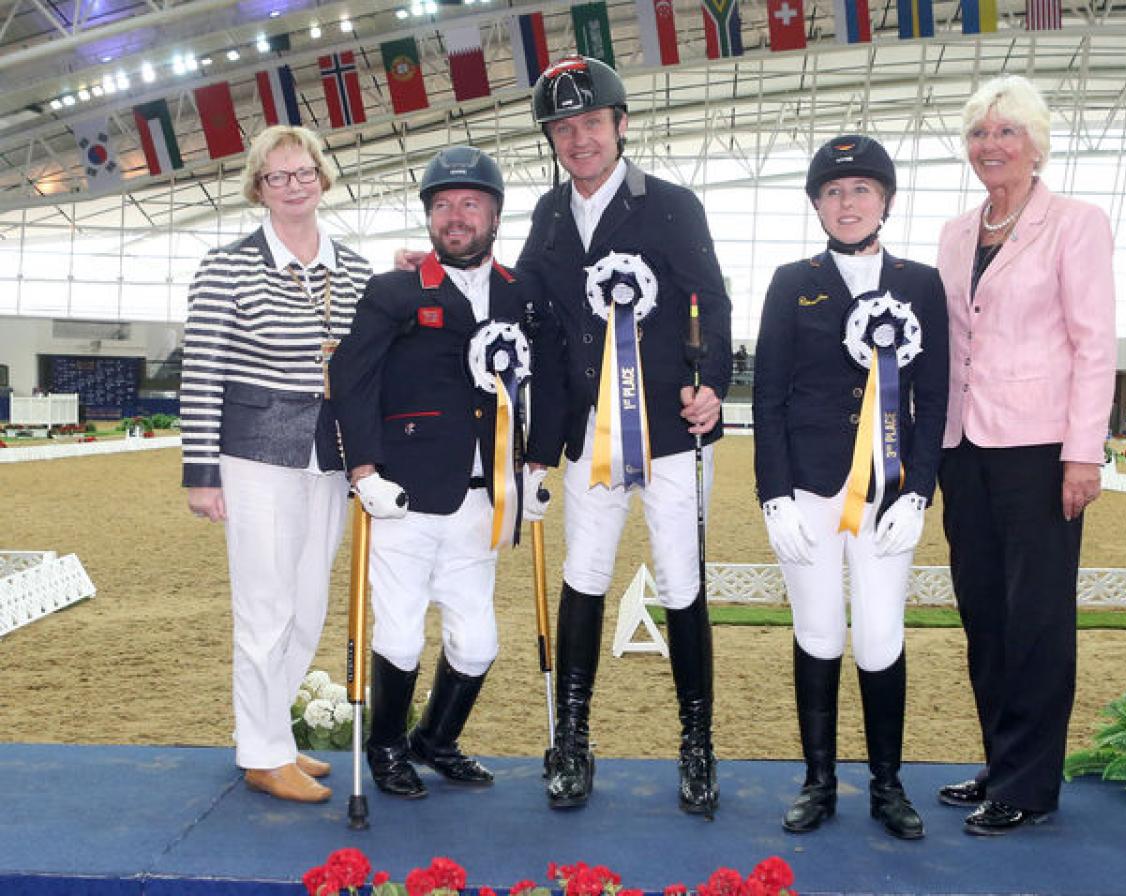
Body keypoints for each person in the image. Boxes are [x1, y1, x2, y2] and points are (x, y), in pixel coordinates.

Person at [520, 55, 733, 815]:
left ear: (621, 125)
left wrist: (713, 384)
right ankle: (573, 739)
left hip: (671, 431)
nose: (578, 140)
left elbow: (712, 298)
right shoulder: (547, 215)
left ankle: (697, 744)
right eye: (563, 127)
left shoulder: (671, 205)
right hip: (589, 435)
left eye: (590, 124)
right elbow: (526, 313)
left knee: (681, 583)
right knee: (585, 575)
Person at [330, 146, 552, 800]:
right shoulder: (395, 290)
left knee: (477, 643)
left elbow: (553, 378)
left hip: (486, 503)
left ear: (493, 215)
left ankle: (436, 739)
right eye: (443, 206)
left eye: (470, 205)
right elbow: (351, 377)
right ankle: (387, 746)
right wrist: (363, 467)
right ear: (429, 217)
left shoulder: (522, 294)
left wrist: (539, 461)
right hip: (403, 497)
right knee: (398, 634)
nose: (456, 217)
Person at [935, 74, 1116, 835]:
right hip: (962, 447)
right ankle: (1000, 762)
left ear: (1036, 144)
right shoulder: (953, 231)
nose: (991, 146)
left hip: (1041, 449)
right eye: (979, 133)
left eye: (1007, 132)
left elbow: (1094, 342)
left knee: (1036, 615)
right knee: (984, 613)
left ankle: (1031, 786)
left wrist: (1084, 454)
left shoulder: (1076, 223)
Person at [752, 135, 948, 839]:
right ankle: (819, 781)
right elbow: (768, 394)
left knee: (880, 635)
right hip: (809, 485)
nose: (847, 202)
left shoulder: (921, 284)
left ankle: (889, 787)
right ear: (815, 203)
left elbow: (936, 395)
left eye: (861, 189)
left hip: (888, 490)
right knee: (820, 629)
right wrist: (772, 493)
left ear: (886, 200)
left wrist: (921, 490)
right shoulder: (790, 280)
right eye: (833, 192)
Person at [180, 125, 373, 803]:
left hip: (329, 456)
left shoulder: (354, 269)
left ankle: (277, 738)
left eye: (304, 172)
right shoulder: (225, 267)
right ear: (258, 188)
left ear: (323, 176)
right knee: (264, 607)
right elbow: (201, 374)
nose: (294, 186)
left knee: (308, 607)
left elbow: (370, 354)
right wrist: (201, 473)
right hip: (254, 454)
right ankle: (259, 751)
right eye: (277, 176)